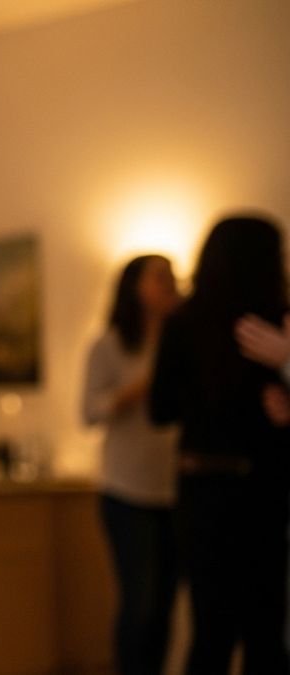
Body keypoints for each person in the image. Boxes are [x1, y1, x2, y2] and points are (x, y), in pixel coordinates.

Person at [150, 215, 290, 674]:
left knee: (210, 631)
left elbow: (160, 411)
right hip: (267, 490)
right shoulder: (278, 322)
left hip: (204, 489)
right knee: (265, 630)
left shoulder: (184, 322)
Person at [82, 255, 180, 675]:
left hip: (175, 489)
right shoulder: (109, 345)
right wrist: (139, 390)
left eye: (172, 275)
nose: (172, 283)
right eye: (161, 276)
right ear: (135, 286)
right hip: (126, 490)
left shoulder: (182, 341)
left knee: (165, 605)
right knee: (139, 603)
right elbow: (89, 412)